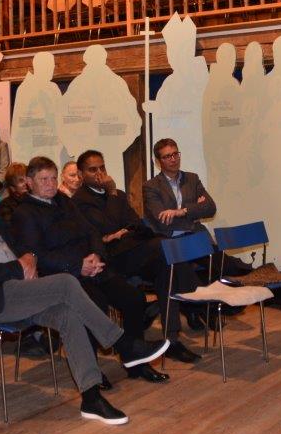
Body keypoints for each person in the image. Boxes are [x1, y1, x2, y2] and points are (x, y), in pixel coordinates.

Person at [0, 154, 168, 421]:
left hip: (21, 289)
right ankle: (123, 344)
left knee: (68, 314)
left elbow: (18, 246)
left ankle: (91, 397)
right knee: (66, 282)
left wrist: (29, 257)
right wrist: (18, 267)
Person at [12, 156, 169, 384]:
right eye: (43, 179)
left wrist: (96, 254)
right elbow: (37, 256)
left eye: (53, 178)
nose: (50, 184)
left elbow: (91, 232)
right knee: (95, 303)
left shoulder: (64, 201)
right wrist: (79, 265)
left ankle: (135, 360)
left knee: (133, 298)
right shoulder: (24, 213)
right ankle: (92, 371)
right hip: (63, 276)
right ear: (29, 182)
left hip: (92, 266)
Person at [72, 150, 201, 363]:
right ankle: (194, 294)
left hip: (134, 251)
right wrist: (112, 194)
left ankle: (172, 339)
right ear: (80, 174)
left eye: (102, 167)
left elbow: (135, 223)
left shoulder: (119, 196)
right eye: (92, 170)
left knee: (166, 269)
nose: (99, 173)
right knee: (166, 247)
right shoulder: (80, 201)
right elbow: (107, 226)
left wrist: (123, 229)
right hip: (110, 260)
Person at [142, 138, 250, 279]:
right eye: (167, 156)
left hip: (196, 237)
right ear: (158, 161)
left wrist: (182, 211)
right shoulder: (151, 186)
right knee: (195, 276)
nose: (173, 159)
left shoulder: (192, 179)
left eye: (175, 154)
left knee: (227, 266)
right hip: (172, 242)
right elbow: (162, 221)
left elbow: (211, 208)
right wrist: (195, 212)